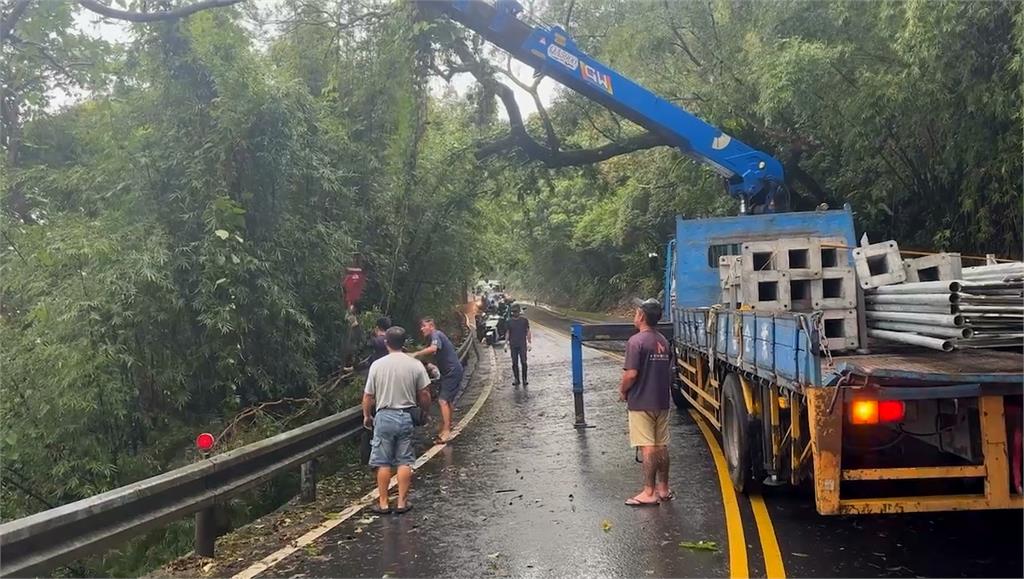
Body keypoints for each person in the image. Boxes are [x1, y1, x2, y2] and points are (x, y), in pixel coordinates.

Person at [362, 326, 432, 515]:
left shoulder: (377, 365)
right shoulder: (414, 364)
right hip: (406, 416)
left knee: (383, 462)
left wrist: (367, 416)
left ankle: (383, 503)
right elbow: (425, 393)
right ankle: (402, 502)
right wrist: (424, 412)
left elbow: (368, 396)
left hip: (384, 416)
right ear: (404, 343)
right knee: (404, 460)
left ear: (386, 343)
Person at [618, 298, 673, 506]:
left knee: (648, 448)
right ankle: (664, 488)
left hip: (642, 402)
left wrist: (623, 391)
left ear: (641, 316)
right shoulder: (663, 341)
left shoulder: (636, 342)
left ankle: (649, 492)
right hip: (662, 401)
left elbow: (631, 374)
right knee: (661, 445)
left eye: (636, 311)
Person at [412, 318, 464, 444]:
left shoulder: (436, 335)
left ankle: (446, 430)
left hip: (451, 372)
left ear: (431, 326)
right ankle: (448, 425)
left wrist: (416, 354)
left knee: (442, 400)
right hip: (449, 372)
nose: (421, 329)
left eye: (424, 326)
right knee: (448, 400)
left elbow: (433, 349)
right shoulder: (433, 338)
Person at [504, 304, 532, 386]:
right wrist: (506, 343)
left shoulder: (524, 321)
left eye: (516, 312)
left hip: (522, 344)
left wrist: (529, 342)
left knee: (524, 362)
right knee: (514, 363)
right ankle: (516, 379)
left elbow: (528, 331)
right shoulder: (509, 322)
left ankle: (524, 379)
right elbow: (508, 333)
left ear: (519, 312)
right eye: (513, 312)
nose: (515, 313)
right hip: (513, 345)